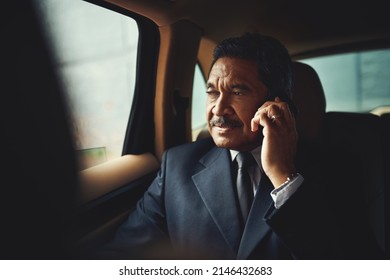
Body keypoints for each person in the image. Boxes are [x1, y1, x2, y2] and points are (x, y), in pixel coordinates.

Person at [96, 33, 383, 260]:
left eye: (237, 92)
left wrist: (284, 175)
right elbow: (121, 255)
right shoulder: (177, 166)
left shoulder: (337, 167)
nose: (218, 109)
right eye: (212, 92)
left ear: (276, 103)